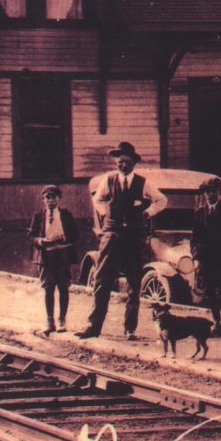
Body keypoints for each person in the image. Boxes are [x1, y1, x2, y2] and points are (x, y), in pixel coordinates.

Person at [76, 142, 167, 340]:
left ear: (134, 163)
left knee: (134, 283)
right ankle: (94, 325)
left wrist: (147, 212)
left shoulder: (143, 183)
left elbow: (162, 200)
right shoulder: (108, 180)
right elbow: (97, 200)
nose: (122, 165)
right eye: (119, 162)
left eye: (126, 162)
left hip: (133, 238)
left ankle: (130, 329)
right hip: (111, 236)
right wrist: (105, 212)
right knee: (102, 280)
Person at [28, 185, 79, 337]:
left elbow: (76, 234)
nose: (51, 201)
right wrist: (41, 241)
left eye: (54, 197)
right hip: (46, 256)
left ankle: (62, 319)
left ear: (59, 199)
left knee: (63, 287)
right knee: (48, 287)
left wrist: (65, 238)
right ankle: (49, 321)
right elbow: (30, 237)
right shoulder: (38, 216)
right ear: (43, 200)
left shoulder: (66, 215)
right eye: (47, 198)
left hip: (63, 255)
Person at [191, 177, 221, 337]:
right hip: (206, 260)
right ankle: (216, 323)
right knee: (210, 292)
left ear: (219, 193)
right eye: (207, 192)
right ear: (204, 194)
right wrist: (196, 259)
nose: (211, 194)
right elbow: (195, 239)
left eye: (214, 191)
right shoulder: (199, 213)